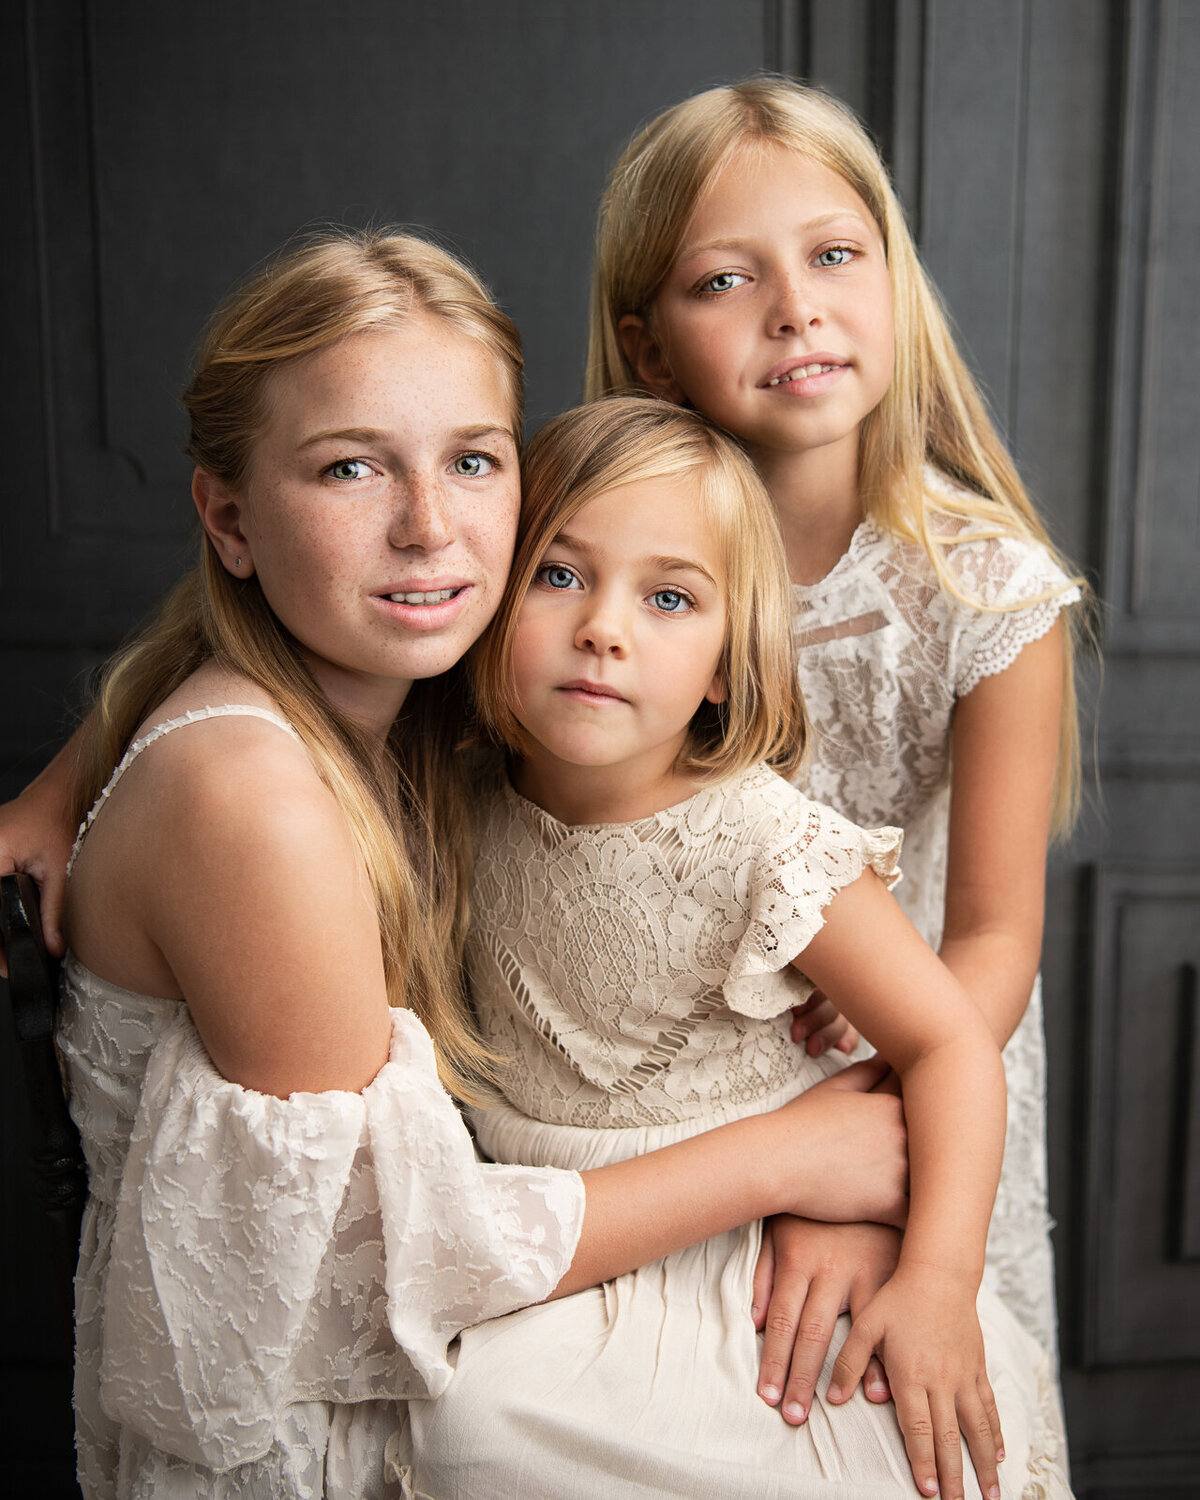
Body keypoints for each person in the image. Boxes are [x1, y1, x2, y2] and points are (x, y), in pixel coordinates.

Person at [15, 230, 911, 1500]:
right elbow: (383, 1271)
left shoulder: (424, 700)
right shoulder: (255, 803)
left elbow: (211, 616)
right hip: (328, 1417)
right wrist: (786, 1161)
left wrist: (56, 783)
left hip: (465, 1329)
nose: (428, 530)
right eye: (349, 469)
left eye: (473, 462)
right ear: (228, 515)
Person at [403, 395, 1072, 1500]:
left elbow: (951, 1043)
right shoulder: (456, 798)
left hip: (744, 1256)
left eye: (668, 598)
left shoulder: (764, 840)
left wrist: (940, 1281)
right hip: (557, 1234)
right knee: (462, 1437)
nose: (603, 628)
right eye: (559, 575)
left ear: (724, 663)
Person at [585, 75, 1084, 1418]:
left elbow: (991, 941)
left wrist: (873, 1170)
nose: (794, 307)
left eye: (832, 256)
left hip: (921, 1058)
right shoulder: (616, 561)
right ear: (646, 347)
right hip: (684, 1076)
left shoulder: (986, 594)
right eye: (725, 280)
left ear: (892, 280)